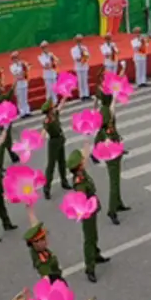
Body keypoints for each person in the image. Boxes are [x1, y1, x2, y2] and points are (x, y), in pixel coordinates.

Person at [24, 223, 74, 300]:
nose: (45, 241)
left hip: (55, 287)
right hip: (54, 291)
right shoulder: (42, 261)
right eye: (42, 240)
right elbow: (45, 277)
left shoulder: (40, 252)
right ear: (35, 243)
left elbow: (34, 224)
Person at [67, 151, 109, 282]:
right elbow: (81, 199)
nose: (84, 161)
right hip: (87, 212)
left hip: (92, 208)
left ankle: (96, 255)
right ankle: (89, 268)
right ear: (79, 167)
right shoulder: (79, 182)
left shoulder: (82, 174)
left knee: (94, 235)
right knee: (89, 239)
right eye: (82, 161)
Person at [93, 100, 129, 225]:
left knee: (117, 180)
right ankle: (111, 210)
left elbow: (112, 111)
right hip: (111, 156)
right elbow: (101, 133)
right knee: (114, 183)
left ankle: (118, 203)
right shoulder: (105, 126)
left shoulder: (108, 117)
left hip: (116, 152)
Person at [41, 98, 69, 198]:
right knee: (51, 166)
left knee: (62, 162)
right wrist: (41, 137)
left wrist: (64, 98)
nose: (54, 108)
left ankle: (64, 181)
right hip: (53, 143)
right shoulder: (47, 120)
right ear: (49, 110)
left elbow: (60, 106)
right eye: (52, 107)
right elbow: (44, 130)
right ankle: (46, 188)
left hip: (60, 139)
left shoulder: (55, 114)